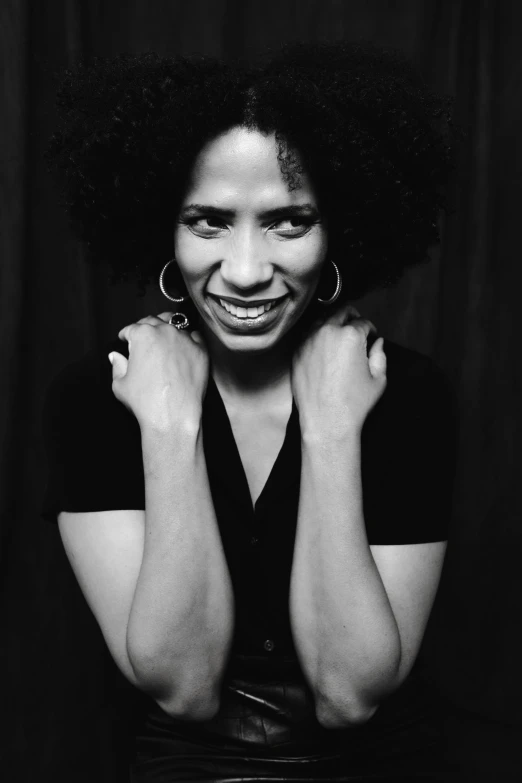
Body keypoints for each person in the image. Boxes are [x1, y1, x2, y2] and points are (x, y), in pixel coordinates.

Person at [41, 40, 463, 782]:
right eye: (207, 220)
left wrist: (333, 426)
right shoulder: (96, 398)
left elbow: (350, 694)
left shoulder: (408, 395)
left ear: (339, 228)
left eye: (288, 222)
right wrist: (169, 426)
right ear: (161, 227)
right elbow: (183, 684)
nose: (243, 270)